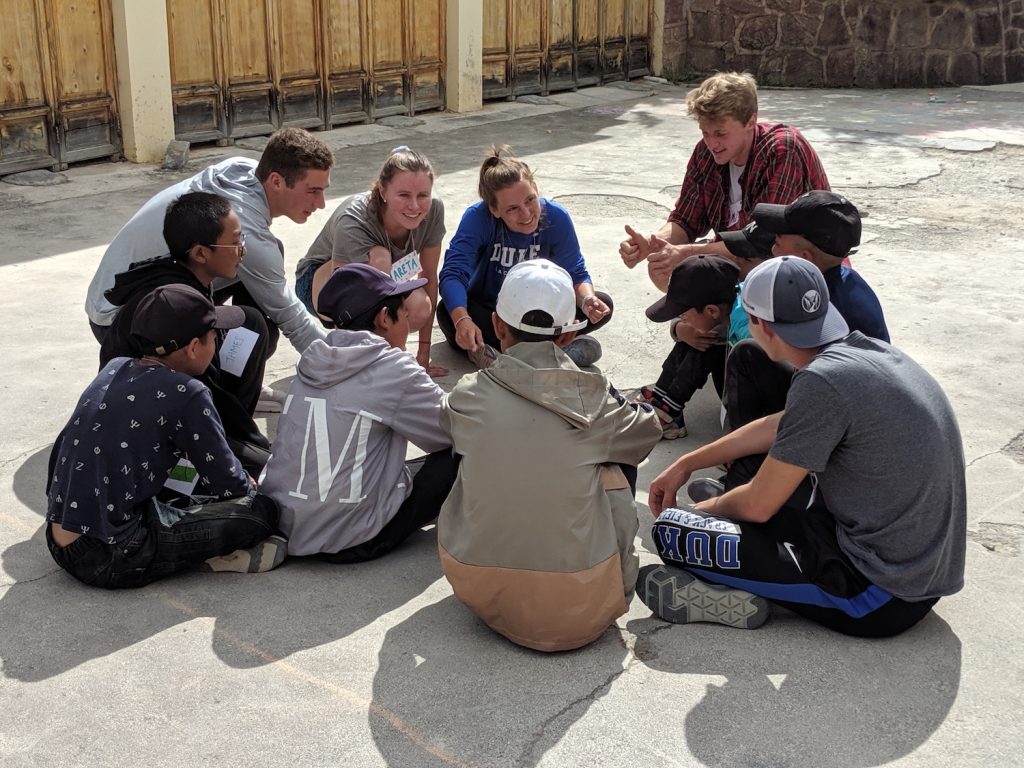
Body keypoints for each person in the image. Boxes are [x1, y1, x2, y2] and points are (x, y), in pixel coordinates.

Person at [638, 257, 966, 637]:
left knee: (673, 530)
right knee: (749, 499)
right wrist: (690, 462)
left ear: (760, 325)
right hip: (921, 567)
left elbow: (759, 506)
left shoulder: (822, 383)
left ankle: (732, 574)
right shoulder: (863, 352)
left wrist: (705, 511)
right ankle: (737, 544)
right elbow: (782, 424)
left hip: (878, 593)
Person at [438, 259, 662, 652]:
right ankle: (614, 572)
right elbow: (648, 431)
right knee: (611, 459)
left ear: (497, 325)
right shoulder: (594, 399)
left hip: (478, 589)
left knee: (477, 449)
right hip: (583, 608)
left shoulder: (468, 394)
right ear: (566, 338)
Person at [46, 285, 286, 589]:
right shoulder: (188, 393)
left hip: (59, 539)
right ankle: (212, 556)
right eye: (215, 337)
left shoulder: (114, 367)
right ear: (193, 347)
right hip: (113, 554)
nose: (217, 344)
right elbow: (230, 485)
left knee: (183, 482)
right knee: (261, 511)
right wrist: (248, 485)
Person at [259, 264, 458, 562]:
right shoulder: (393, 368)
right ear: (383, 318)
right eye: (403, 312)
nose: (407, 320)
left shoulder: (314, 358)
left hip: (290, 525)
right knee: (458, 456)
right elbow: (452, 431)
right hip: (351, 537)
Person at [86, 127, 334, 359]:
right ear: (277, 181)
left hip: (110, 301)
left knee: (264, 257)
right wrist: (338, 361)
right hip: (120, 324)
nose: (321, 203)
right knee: (257, 334)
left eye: (323, 191)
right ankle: (221, 386)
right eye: (313, 191)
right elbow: (291, 318)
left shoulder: (241, 169)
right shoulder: (245, 223)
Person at [100, 192, 273, 475]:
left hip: (176, 393)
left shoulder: (182, 275)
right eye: (235, 241)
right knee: (267, 471)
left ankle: (234, 433)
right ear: (201, 253)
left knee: (250, 324)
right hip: (149, 423)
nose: (243, 249)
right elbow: (194, 397)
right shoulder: (174, 307)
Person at [618, 71, 829, 292]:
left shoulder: (782, 149)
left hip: (795, 264)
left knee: (705, 267)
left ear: (751, 122)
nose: (712, 143)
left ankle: (719, 322)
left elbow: (762, 240)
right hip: (741, 257)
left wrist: (686, 252)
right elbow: (686, 220)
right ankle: (707, 323)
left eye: (720, 133)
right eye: (705, 133)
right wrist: (654, 243)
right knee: (661, 268)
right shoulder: (705, 153)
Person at [723, 191, 889, 432]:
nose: (772, 243)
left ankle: (748, 461)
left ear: (804, 258)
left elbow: (822, 386)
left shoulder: (816, 301)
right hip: (839, 387)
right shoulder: (845, 279)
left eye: (779, 239)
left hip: (846, 411)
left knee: (747, 355)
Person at [438, 145, 612, 369]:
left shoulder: (557, 216)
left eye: (530, 200)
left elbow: (576, 271)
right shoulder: (478, 218)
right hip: (497, 316)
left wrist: (588, 301)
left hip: (544, 319)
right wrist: (463, 320)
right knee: (448, 312)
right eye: (512, 209)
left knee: (603, 304)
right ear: (494, 209)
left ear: (537, 190)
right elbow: (453, 272)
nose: (527, 214)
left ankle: (505, 361)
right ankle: (559, 355)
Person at [295, 146, 448, 376]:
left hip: (385, 279)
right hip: (322, 283)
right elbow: (343, 298)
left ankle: (385, 360)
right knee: (379, 258)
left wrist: (423, 354)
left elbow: (428, 277)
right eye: (404, 195)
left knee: (419, 307)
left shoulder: (434, 211)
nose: (415, 206)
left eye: (422, 195)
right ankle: (362, 363)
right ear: (383, 191)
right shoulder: (354, 218)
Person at [638, 255, 740, 440]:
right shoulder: (724, 309)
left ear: (711, 311)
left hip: (751, 398)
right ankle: (661, 400)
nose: (681, 317)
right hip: (733, 382)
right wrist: (680, 329)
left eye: (683, 313)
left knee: (708, 342)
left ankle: (669, 413)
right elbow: (696, 322)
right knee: (700, 335)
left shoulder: (748, 327)